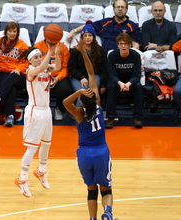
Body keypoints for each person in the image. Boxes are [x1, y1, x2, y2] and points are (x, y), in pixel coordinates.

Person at [63, 38, 115, 220]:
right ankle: (107, 213)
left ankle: (92, 218)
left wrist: (78, 91)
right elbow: (92, 73)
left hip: (84, 154)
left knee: (91, 190)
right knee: (106, 188)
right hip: (101, 152)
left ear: (82, 102)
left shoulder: (78, 113)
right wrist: (84, 53)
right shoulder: (99, 106)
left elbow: (64, 102)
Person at [14, 42, 63, 198]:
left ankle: (41, 171)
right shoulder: (30, 72)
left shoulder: (45, 71)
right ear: (30, 61)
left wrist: (57, 53)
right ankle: (22, 178)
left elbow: (57, 67)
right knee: (32, 147)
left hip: (46, 111)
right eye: (36, 57)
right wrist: (49, 51)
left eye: (40, 56)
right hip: (35, 111)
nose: (39, 59)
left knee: (47, 144)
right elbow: (42, 67)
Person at [0, 22, 28, 127]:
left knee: (12, 76)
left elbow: (26, 62)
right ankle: (10, 117)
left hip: (17, 74)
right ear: (6, 32)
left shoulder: (22, 45)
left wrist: (18, 69)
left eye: (14, 31)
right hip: (0, 73)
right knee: (10, 88)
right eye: (10, 31)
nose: (12, 33)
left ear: (18, 33)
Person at [66, 0, 141, 53]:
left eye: (122, 7)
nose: (120, 9)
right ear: (114, 9)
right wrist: (73, 31)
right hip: (107, 56)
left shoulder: (132, 26)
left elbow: (136, 45)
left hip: (125, 55)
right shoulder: (105, 23)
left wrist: (129, 55)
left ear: (126, 9)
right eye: (118, 7)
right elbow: (88, 26)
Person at [34, 26, 73, 120]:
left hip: (57, 75)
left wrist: (57, 78)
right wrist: (43, 76)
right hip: (41, 75)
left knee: (66, 91)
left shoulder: (63, 48)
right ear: (45, 35)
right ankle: (39, 111)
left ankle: (58, 108)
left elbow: (65, 68)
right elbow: (34, 65)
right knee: (36, 90)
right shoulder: (37, 46)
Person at [105, 33, 143, 129]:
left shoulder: (135, 55)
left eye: (125, 44)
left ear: (130, 44)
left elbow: (137, 74)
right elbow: (111, 74)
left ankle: (137, 117)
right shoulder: (112, 55)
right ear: (117, 45)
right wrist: (120, 83)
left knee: (138, 86)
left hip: (131, 80)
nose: (123, 46)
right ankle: (111, 117)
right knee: (111, 86)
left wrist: (129, 84)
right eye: (121, 44)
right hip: (117, 80)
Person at [68, 21, 108, 106]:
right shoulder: (75, 50)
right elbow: (71, 68)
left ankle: (94, 111)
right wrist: (81, 77)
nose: (87, 38)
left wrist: (103, 84)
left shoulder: (100, 50)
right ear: (81, 37)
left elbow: (104, 68)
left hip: (95, 75)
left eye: (90, 35)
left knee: (92, 91)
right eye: (85, 36)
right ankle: (80, 113)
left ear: (93, 37)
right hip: (78, 77)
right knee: (82, 91)